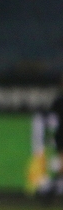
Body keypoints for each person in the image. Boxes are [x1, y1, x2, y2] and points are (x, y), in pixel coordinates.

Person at [35, 75, 63, 203]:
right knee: (60, 168)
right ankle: (49, 194)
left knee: (60, 169)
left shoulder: (58, 100)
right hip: (61, 136)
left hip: (60, 136)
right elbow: (50, 118)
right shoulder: (59, 100)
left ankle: (49, 194)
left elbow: (49, 117)